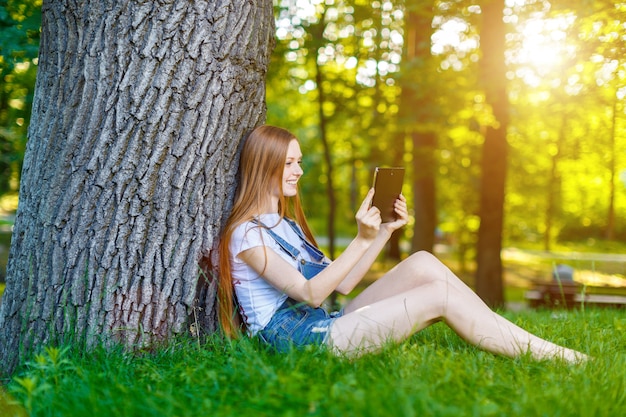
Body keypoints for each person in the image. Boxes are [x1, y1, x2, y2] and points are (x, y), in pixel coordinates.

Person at [217, 125, 587, 363]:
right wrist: (361, 239)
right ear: (263, 166)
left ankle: (509, 335)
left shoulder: (287, 226)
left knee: (424, 262)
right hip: (299, 343)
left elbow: (341, 285)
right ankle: (558, 357)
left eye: (298, 161)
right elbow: (312, 293)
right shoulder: (247, 234)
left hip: (323, 322)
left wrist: (382, 233)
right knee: (437, 297)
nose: (298, 170)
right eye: (288, 163)